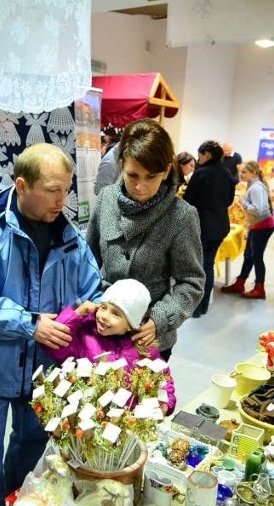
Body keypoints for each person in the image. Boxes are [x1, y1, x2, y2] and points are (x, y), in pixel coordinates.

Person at [0, 143, 102, 506]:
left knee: (31, 450)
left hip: (45, 375)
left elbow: (93, 290)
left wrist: (96, 309)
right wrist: (30, 324)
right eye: (52, 189)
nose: (62, 200)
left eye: (67, 189)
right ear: (21, 185)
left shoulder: (71, 240)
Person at [86, 118, 203, 356]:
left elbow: (191, 281)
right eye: (132, 175)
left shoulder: (181, 215)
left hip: (147, 337)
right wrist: (91, 302)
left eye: (151, 177)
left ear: (167, 171)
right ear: (121, 165)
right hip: (102, 327)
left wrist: (160, 319)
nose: (140, 186)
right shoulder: (106, 199)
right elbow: (88, 261)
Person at [48, 278, 177, 414]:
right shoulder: (86, 335)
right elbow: (57, 344)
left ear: (131, 324)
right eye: (103, 307)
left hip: (125, 423)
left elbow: (163, 377)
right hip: (86, 418)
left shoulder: (143, 347)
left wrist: (165, 403)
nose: (104, 316)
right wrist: (77, 314)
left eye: (116, 314)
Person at [183, 140, 236, 317]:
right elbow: (229, 200)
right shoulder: (227, 173)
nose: (198, 159)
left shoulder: (201, 174)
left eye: (200, 155)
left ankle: (196, 308)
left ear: (207, 154)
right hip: (221, 225)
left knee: (199, 266)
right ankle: (203, 306)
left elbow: (188, 200)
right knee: (208, 264)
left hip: (202, 225)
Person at [221, 160, 274, 299]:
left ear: (254, 173)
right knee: (249, 256)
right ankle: (241, 282)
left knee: (256, 258)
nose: (241, 175)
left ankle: (259, 287)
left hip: (262, 226)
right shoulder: (253, 186)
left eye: (244, 172)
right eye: (241, 172)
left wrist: (243, 201)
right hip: (257, 226)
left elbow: (258, 209)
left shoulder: (256, 188)